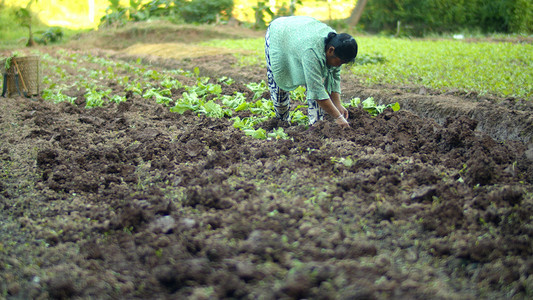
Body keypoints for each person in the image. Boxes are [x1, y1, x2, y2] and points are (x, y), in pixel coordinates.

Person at [264, 16, 358, 128]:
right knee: (279, 84)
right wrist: (338, 118)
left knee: (318, 83)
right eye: (340, 62)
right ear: (330, 50)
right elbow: (317, 91)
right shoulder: (311, 52)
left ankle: (316, 127)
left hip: (300, 34)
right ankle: (282, 122)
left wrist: (338, 106)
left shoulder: (338, 44)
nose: (339, 65)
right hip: (280, 33)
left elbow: (334, 78)